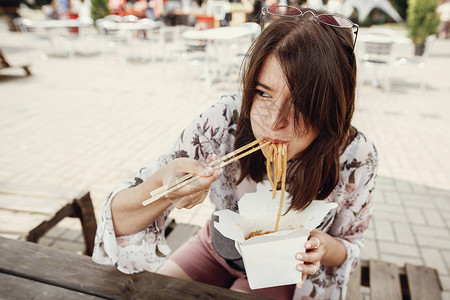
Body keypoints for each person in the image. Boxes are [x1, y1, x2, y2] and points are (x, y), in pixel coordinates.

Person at [92, 5, 378, 300]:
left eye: (301, 103)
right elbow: (119, 222)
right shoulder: (224, 121)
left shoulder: (355, 156)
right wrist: (163, 186)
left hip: (279, 271)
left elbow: (350, 245)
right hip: (215, 249)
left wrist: (323, 248)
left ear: (331, 107)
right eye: (263, 93)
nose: (273, 122)